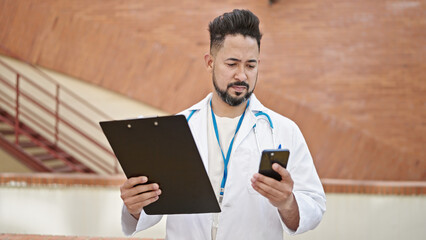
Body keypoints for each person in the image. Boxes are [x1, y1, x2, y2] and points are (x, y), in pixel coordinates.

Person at [120, 9, 326, 240]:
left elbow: (314, 207)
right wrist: (134, 205)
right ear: (210, 62)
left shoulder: (284, 130)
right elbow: (151, 207)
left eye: (250, 65)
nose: (242, 76)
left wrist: (287, 202)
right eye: (232, 64)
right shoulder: (176, 130)